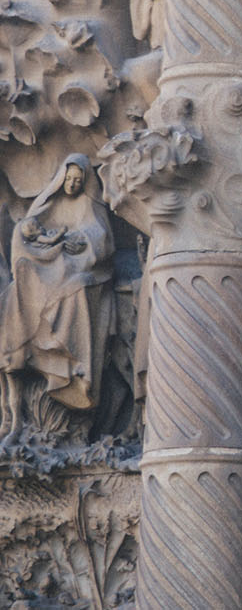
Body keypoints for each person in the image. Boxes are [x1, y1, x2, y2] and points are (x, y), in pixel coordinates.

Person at [0, 155, 116, 427]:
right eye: (69, 179)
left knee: (77, 285)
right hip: (47, 263)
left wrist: (81, 242)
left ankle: (66, 355)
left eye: (78, 181)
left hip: (80, 268)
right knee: (25, 276)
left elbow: (103, 244)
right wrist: (48, 244)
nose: (73, 184)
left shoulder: (89, 205)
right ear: (60, 179)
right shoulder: (48, 204)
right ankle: (28, 344)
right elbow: (25, 234)